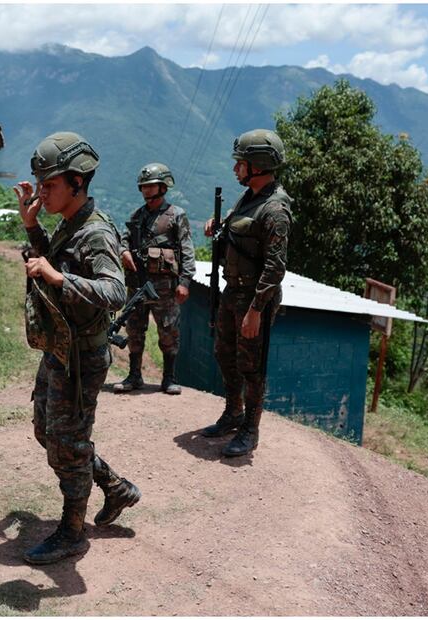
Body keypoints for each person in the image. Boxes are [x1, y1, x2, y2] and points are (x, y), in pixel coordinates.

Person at [13, 131, 141, 565]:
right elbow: (53, 259)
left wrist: (57, 277)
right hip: (60, 348)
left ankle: (72, 531)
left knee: (67, 442)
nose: (42, 192)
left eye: (49, 185)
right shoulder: (69, 222)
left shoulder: (97, 233)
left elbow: (114, 291)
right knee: (49, 432)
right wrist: (32, 228)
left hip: (82, 358)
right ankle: (116, 488)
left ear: (77, 182)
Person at [201, 129, 293, 457]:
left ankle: (250, 429)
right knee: (225, 355)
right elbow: (238, 225)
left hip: (254, 300)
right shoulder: (250, 198)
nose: (236, 168)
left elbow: (275, 267)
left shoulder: (275, 209)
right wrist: (218, 223)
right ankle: (232, 412)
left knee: (252, 366)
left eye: (240, 163)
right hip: (232, 293)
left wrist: (256, 310)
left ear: (258, 165)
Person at [113, 162, 195, 395]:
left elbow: (187, 249)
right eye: (143, 187)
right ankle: (134, 376)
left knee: (168, 333)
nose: (145, 191)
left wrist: (185, 282)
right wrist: (124, 251)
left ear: (163, 186)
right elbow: (124, 240)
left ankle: (169, 378)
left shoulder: (176, 216)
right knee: (134, 330)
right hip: (138, 286)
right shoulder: (136, 216)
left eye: (150, 186)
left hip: (165, 289)